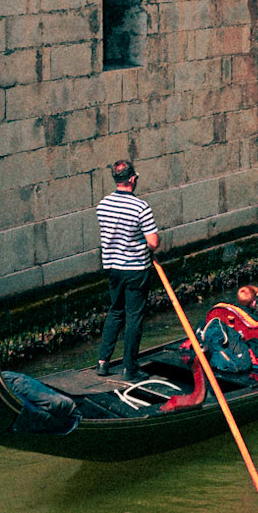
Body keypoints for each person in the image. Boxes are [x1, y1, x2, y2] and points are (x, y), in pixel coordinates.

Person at [95, 159, 158, 381]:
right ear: (132, 179)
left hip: (113, 268)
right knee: (133, 317)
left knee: (115, 311)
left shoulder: (103, 205)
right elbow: (153, 242)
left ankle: (102, 363)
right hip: (135, 269)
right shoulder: (141, 207)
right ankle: (129, 368)